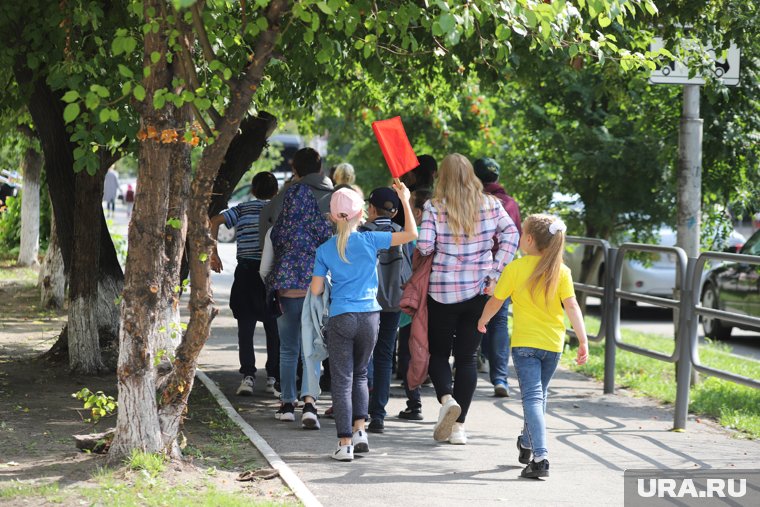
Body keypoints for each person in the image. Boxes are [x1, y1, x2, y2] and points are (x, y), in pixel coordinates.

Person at [416, 153, 519, 445]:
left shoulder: (434, 207)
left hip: (442, 292)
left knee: (438, 354)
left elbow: (424, 246)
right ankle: (459, 428)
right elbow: (511, 234)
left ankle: (447, 399)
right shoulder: (490, 204)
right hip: (479, 291)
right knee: (466, 359)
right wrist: (495, 270)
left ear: (443, 177)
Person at [310, 184, 417, 461]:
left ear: (333, 217)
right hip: (371, 316)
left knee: (342, 380)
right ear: (361, 214)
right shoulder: (372, 240)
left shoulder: (324, 249)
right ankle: (360, 431)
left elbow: (316, 290)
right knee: (360, 375)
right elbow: (411, 235)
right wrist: (405, 201)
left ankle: (344, 444)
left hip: (341, 317)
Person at [478, 214, 589, 478]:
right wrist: (583, 340)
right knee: (539, 397)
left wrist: (483, 320)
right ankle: (527, 442)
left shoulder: (515, 269)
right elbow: (572, 306)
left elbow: (496, 301)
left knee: (532, 398)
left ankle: (540, 458)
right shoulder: (561, 271)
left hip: (526, 344)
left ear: (528, 239)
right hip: (553, 344)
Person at [266, 156, 333, 428]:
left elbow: (265, 265)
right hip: (312, 291)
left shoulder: (278, 229)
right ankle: (310, 405)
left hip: (284, 292)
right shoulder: (320, 226)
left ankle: (286, 403)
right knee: (312, 349)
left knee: (288, 349)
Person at [210, 172, 281, 396]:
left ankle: (248, 377)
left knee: (246, 328)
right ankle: (273, 377)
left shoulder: (242, 209)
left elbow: (214, 221)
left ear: (252, 190)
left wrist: (214, 253)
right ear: (275, 191)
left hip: (246, 273)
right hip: (273, 274)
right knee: (274, 328)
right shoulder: (280, 211)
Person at [360, 187, 412, 433]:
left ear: (371, 208)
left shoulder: (362, 233)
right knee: (384, 356)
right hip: (392, 303)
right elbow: (408, 271)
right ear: (394, 211)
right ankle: (378, 414)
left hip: (365, 302)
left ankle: (360, 409)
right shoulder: (401, 233)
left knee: (362, 355)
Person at [473, 157, 522, 397]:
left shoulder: (473, 202)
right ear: (497, 178)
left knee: (476, 317)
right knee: (500, 321)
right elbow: (517, 236)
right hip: (503, 269)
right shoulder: (510, 203)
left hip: (474, 268)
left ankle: (470, 366)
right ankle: (500, 378)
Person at [396, 188, 431, 421]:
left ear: (417, 212)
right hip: (432, 299)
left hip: (410, 300)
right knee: (425, 348)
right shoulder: (444, 233)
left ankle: (414, 401)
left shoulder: (410, 235)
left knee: (409, 348)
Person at [259, 147, 333, 245]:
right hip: (327, 259)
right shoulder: (336, 198)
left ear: (294, 169)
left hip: (290, 258)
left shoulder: (281, 198)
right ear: (320, 169)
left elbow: (266, 240)